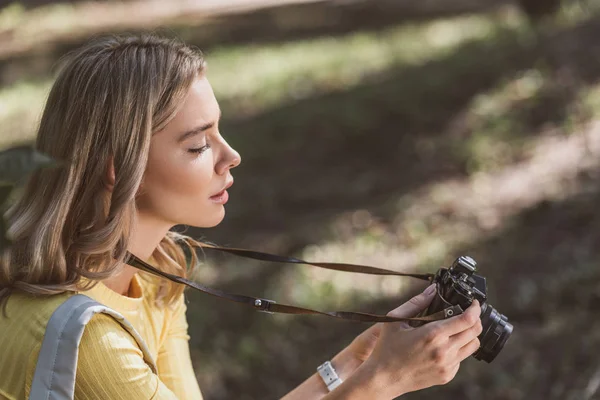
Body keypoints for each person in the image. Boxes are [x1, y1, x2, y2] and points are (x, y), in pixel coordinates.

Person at [0, 34, 482, 400]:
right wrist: (382, 382)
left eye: (219, 132)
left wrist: (358, 359)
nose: (231, 156)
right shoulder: (85, 336)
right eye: (197, 144)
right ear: (115, 166)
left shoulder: (156, 274)